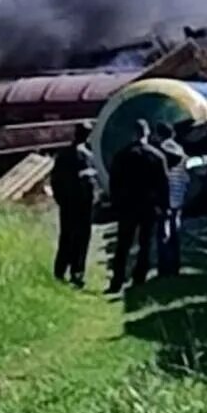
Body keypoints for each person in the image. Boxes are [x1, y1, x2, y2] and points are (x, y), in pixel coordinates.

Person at [106, 120, 168, 294]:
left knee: (123, 244)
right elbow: (163, 184)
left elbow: (114, 183)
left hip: (127, 205)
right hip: (148, 205)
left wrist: (115, 203)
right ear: (147, 134)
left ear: (133, 134)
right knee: (145, 243)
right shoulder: (157, 156)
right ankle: (139, 278)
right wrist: (164, 206)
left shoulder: (122, 155)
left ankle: (117, 281)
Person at [51, 125, 96, 289]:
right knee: (82, 238)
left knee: (66, 237)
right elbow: (92, 182)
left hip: (68, 203)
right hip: (84, 203)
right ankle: (77, 273)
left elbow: (54, 179)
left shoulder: (63, 155)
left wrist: (60, 199)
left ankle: (60, 271)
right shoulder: (89, 155)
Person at [154, 122, 188, 277]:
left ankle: (164, 268)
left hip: (166, 196)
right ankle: (175, 266)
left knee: (163, 233)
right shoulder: (179, 148)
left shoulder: (162, 150)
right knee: (175, 232)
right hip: (178, 196)